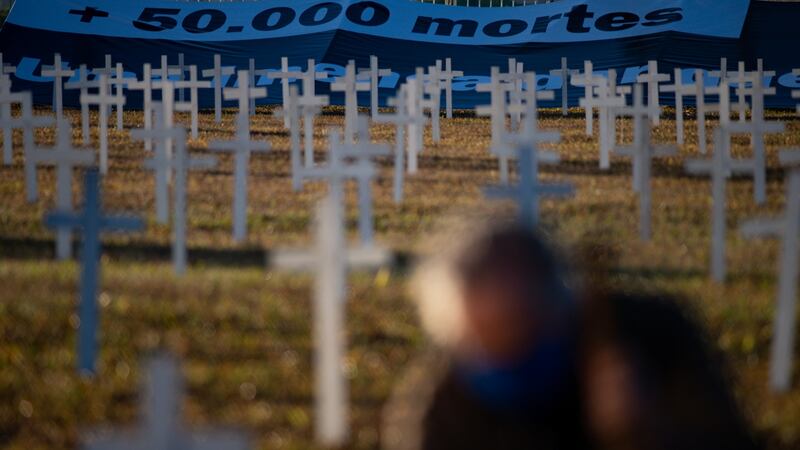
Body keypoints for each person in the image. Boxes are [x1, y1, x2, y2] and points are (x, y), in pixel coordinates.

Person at [382, 217, 760, 450]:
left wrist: (651, 430)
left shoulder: (650, 338)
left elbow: (729, 438)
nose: (506, 355)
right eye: (484, 339)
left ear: (559, 306)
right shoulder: (449, 402)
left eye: (518, 327)